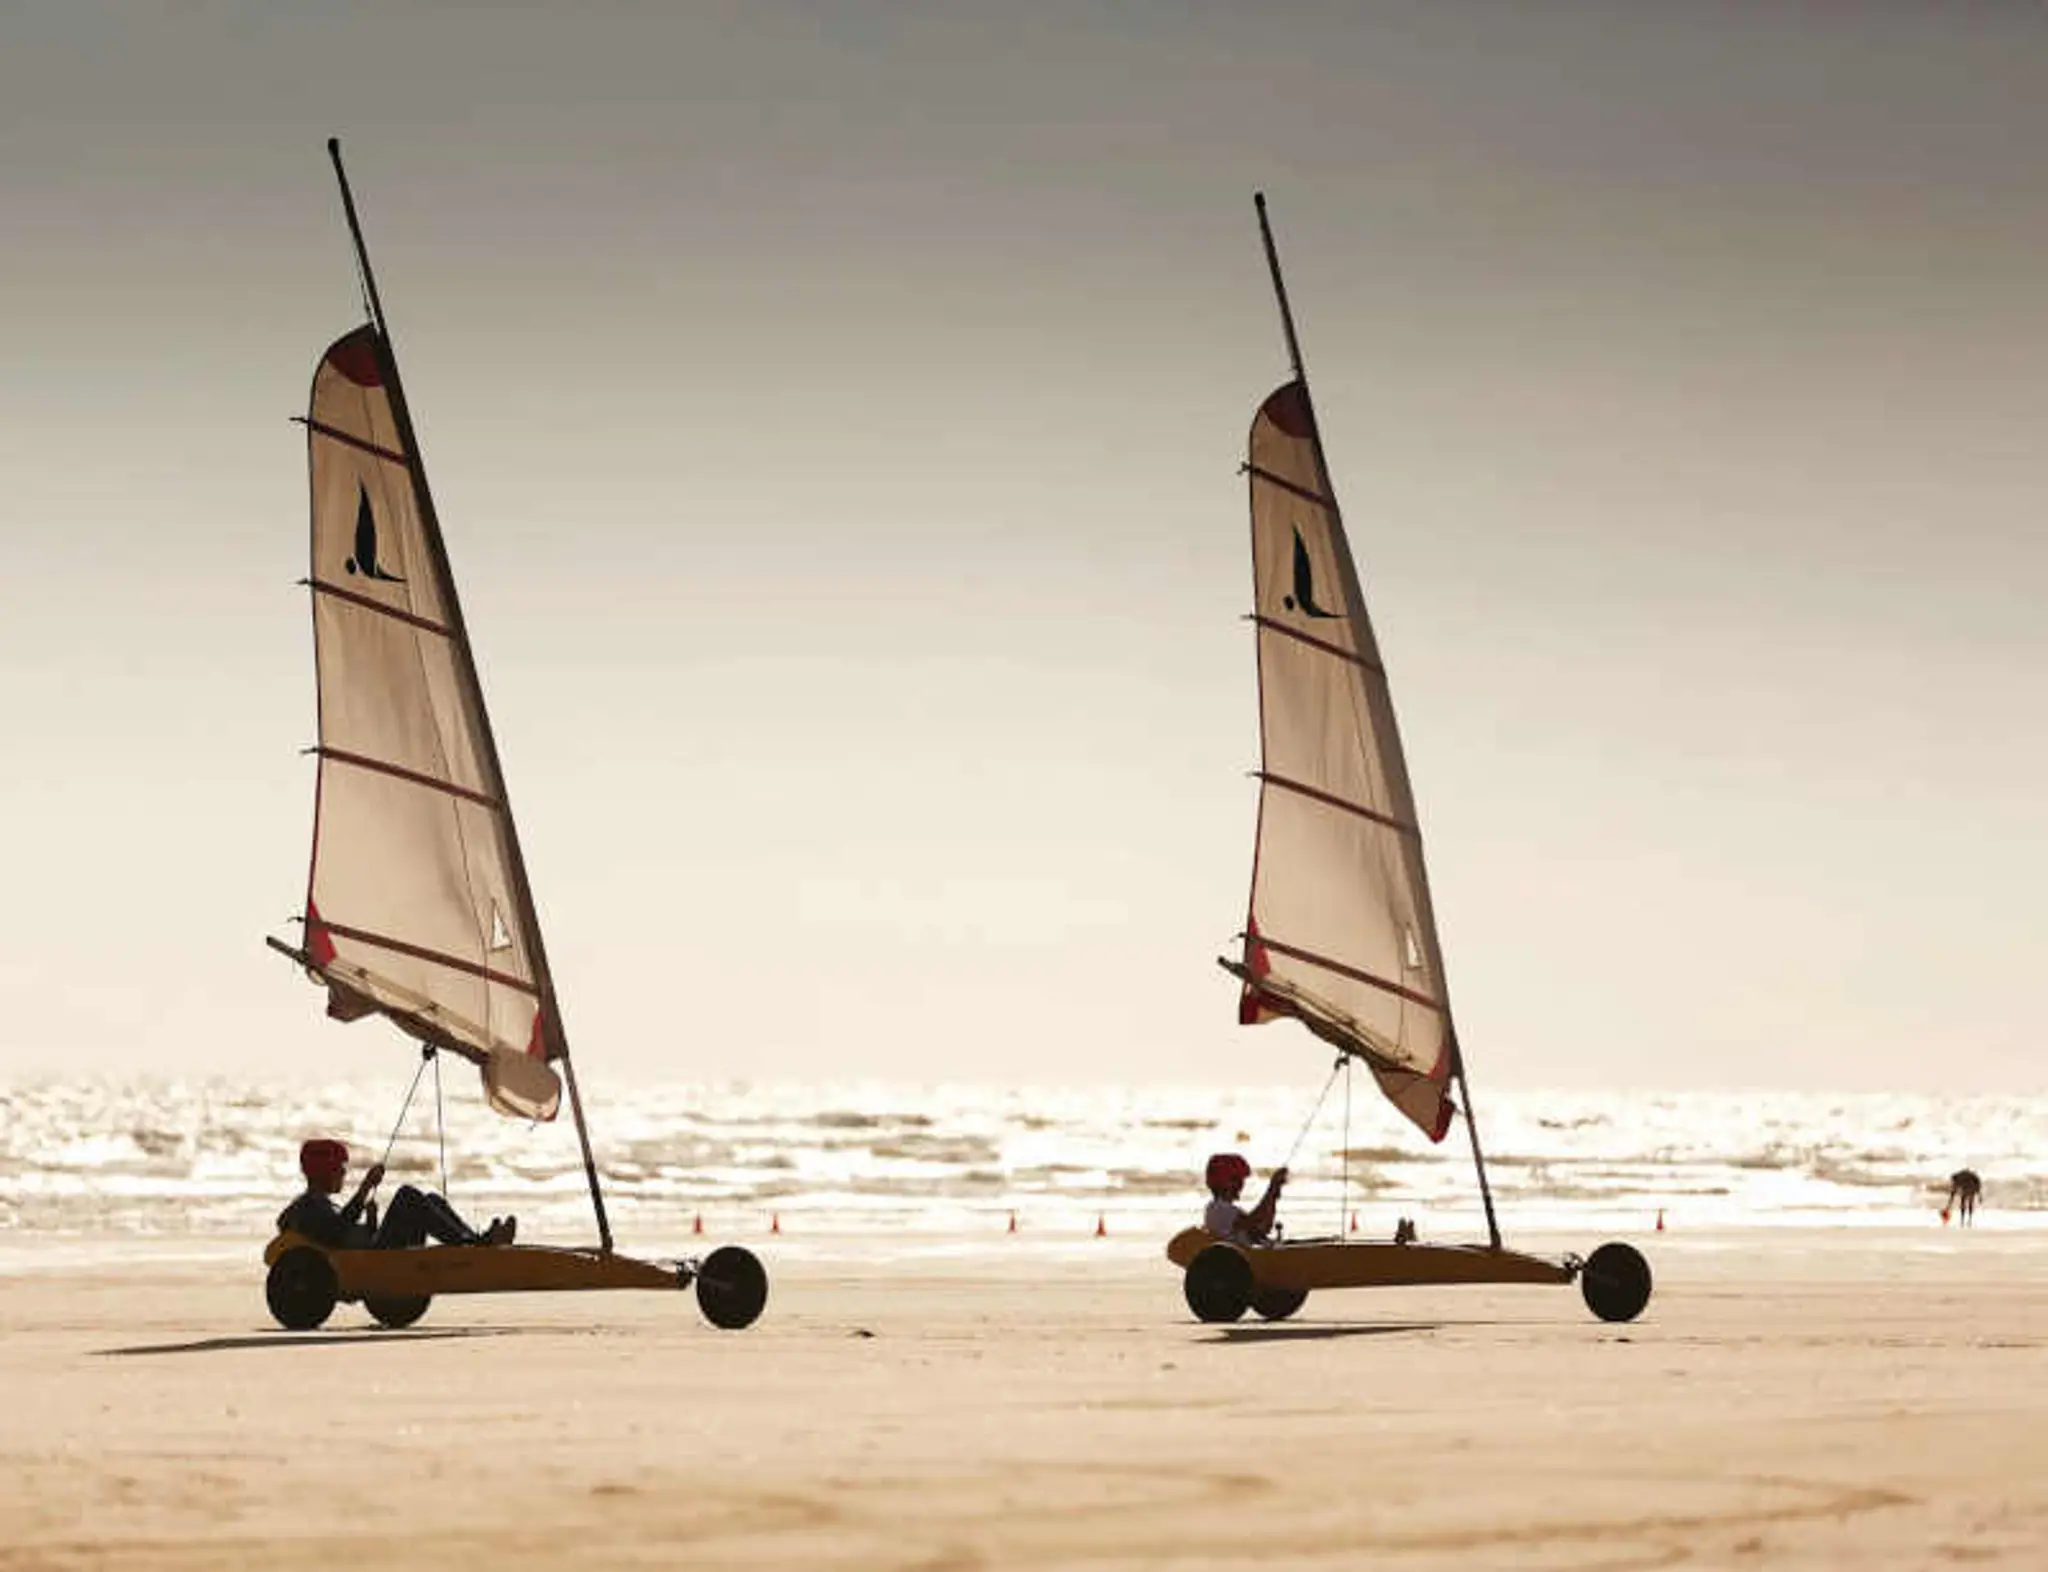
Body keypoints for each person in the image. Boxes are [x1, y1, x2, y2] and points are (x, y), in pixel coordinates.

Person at [279, 1138, 515, 1250]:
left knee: (431, 1199)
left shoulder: (321, 1205)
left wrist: (371, 1222)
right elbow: (336, 1233)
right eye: (339, 1169)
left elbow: (346, 1233)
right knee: (407, 1195)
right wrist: (365, 1188)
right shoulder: (308, 1207)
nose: (343, 1173)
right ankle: (471, 1244)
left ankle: (475, 1240)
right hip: (374, 1263)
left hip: (372, 1254)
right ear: (324, 1172)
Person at [1202, 1152, 1288, 1245]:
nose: (1240, 1185)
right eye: (1235, 1180)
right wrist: (1271, 1189)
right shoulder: (1218, 1208)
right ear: (1222, 1182)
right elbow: (1254, 1221)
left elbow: (1263, 1227)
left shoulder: (1227, 1209)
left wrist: (1273, 1196)